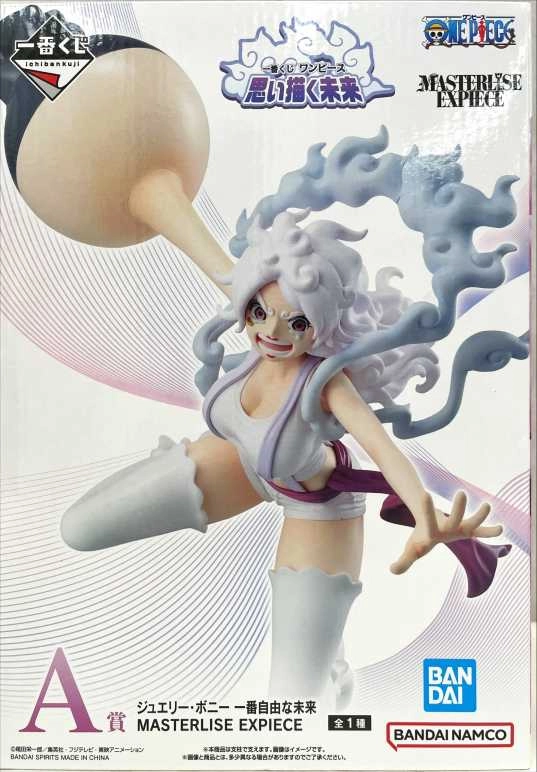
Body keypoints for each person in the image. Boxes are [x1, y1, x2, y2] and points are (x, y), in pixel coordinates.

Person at [61, 209, 508, 706]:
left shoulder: (325, 383)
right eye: (259, 312)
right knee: (80, 528)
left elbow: (386, 454)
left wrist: (424, 515)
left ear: (323, 323)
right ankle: (321, 645)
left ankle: (329, 663)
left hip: (320, 507)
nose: (272, 331)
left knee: (296, 699)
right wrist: (150, 200)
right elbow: (201, 246)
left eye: (297, 321)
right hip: (243, 464)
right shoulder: (256, 324)